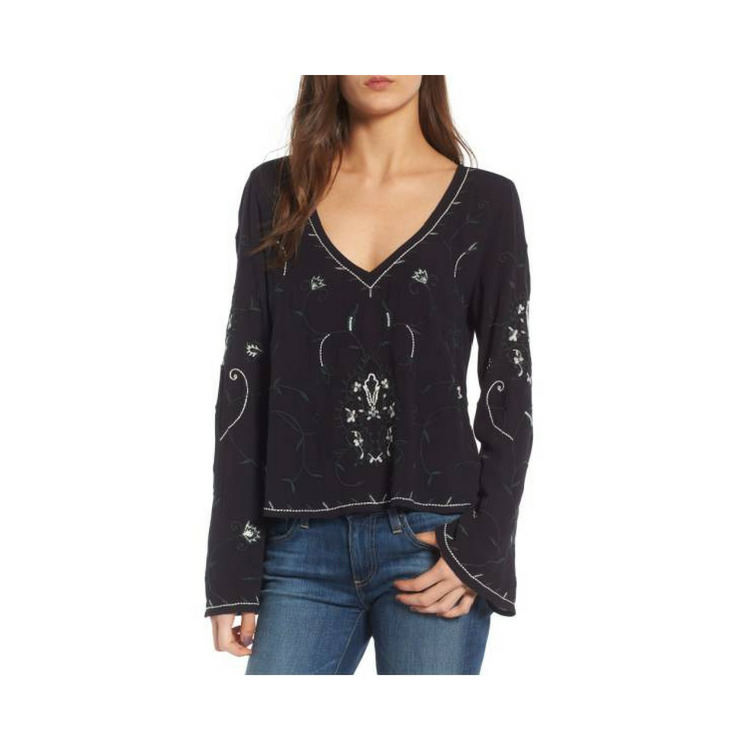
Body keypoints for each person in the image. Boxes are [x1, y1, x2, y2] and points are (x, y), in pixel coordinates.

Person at [204, 75, 533, 675]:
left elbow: (509, 386)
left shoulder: (487, 202)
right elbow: (243, 376)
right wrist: (231, 567)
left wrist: (484, 548)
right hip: (297, 549)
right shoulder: (275, 192)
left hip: (435, 546)